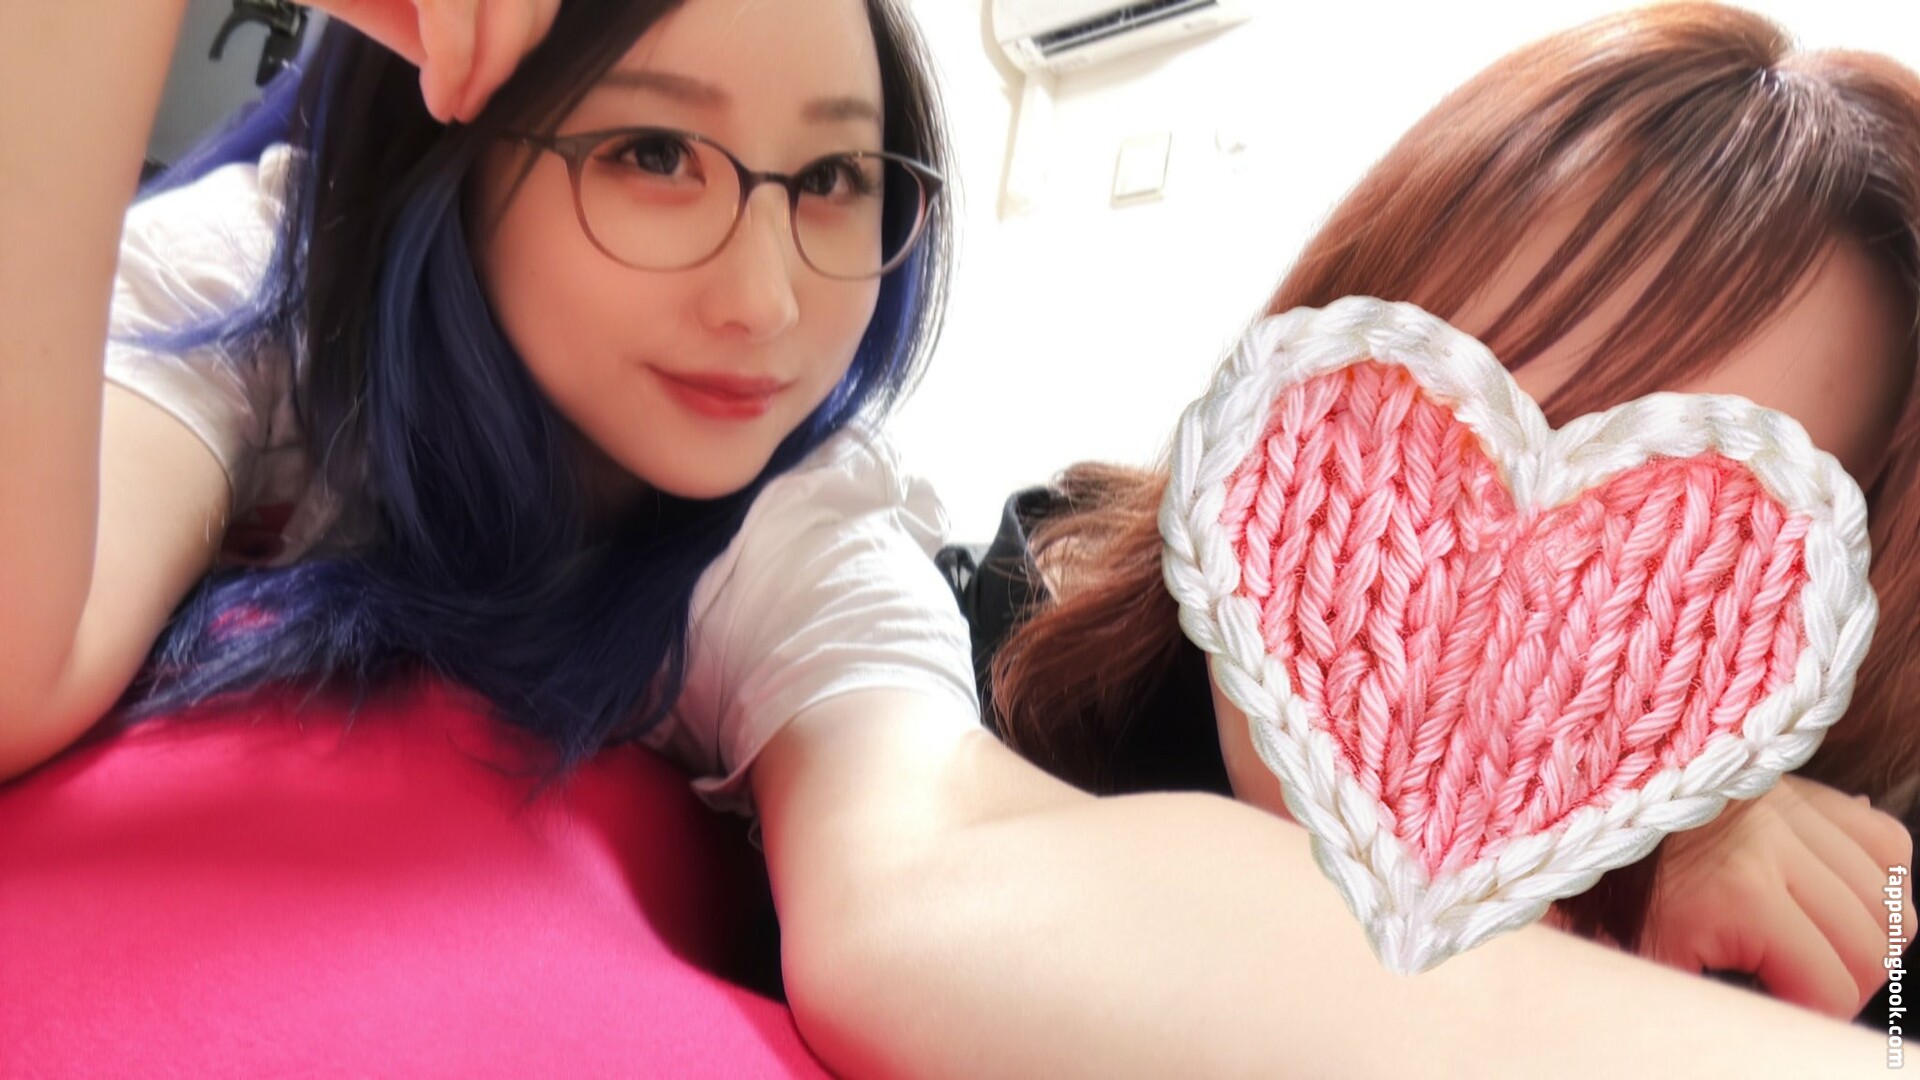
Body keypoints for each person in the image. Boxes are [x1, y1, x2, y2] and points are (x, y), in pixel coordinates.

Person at [0, 1, 1899, 1075]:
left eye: (837, 178)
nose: (768, 296)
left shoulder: (799, 531)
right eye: (652, 151)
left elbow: (924, 880)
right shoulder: (1039, 607)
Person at [972, 0, 1920, 1031]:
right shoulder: (964, 672)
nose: (1484, 634)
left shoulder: (1854, 953)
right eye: (1419, 447)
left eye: (1677, 565)